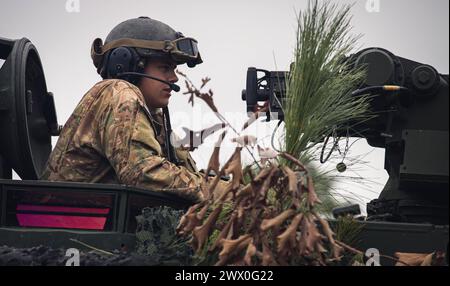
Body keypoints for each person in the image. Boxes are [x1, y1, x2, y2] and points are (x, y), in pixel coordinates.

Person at [41, 17, 218, 202]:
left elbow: (181, 173)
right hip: (66, 222)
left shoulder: (153, 115)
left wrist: (233, 189)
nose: (174, 78)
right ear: (127, 64)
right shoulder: (118, 93)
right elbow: (143, 173)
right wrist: (215, 191)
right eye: (165, 68)